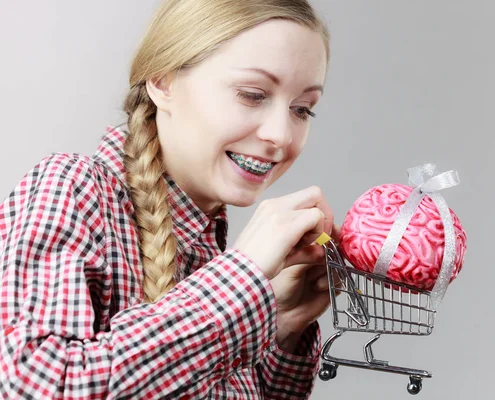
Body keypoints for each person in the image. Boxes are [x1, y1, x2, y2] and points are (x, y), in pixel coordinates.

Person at [0, 0, 337, 398]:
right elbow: (29, 386)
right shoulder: (71, 189)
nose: (281, 135)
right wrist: (237, 282)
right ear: (163, 82)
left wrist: (282, 322)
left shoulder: (211, 250)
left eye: (303, 109)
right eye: (252, 94)